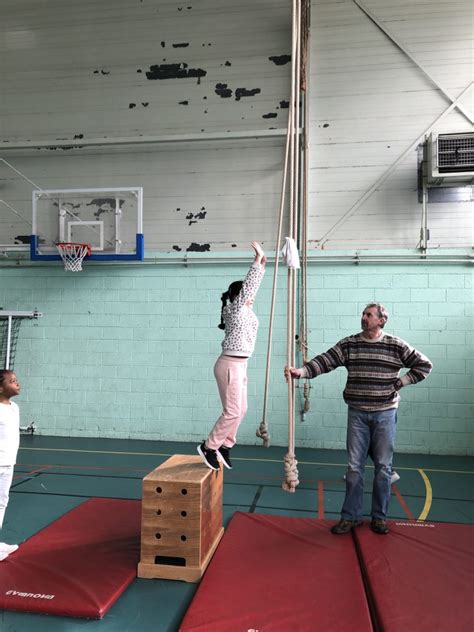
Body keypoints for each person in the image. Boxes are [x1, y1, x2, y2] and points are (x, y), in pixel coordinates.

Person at [285, 303, 432, 535]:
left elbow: (424, 365)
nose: (364, 318)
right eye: (363, 314)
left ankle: (379, 518)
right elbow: (325, 361)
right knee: (354, 468)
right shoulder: (349, 344)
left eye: (369, 315)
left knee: (383, 468)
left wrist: (401, 382)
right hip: (357, 414)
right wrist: (301, 372)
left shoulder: (395, 345)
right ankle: (350, 517)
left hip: (385, 413)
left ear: (381, 321)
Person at [198, 241, 266, 471]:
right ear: (238, 296)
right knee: (232, 411)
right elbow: (249, 289)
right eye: (247, 294)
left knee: (242, 410)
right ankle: (208, 447)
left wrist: (263, 266)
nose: (252, 297)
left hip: (240, 365)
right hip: (229, 365)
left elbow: (249, 291)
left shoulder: (246, 312)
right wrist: (257, 263)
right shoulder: (235, 310)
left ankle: (225, 445)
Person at [0, 370, 21, 560]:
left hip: (8, 463)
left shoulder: (14, 407)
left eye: (16, 380)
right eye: (12, 381)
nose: (17, 383)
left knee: (2, 501)